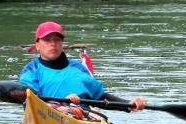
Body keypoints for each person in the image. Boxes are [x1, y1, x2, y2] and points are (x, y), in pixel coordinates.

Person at [19, 21, 147, 111]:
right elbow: (30, 103)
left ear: (62, 43)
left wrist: (128, 104)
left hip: (81, 116)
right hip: (45, 117)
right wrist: (62, 103)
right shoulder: (30, 72)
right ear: (37, 45)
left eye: (57, 40)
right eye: (47, 40)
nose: (53, 44)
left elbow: (100, 98)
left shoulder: (79, 69)